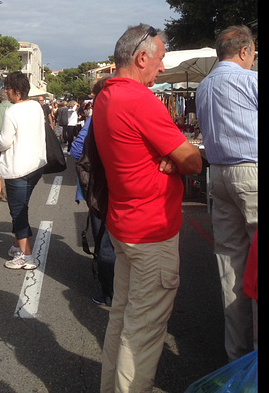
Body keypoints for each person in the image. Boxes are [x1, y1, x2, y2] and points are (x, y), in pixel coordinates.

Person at [92, 23, 202, 393]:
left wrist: (168, 156)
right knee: (142, 335)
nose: (163, 66)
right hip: (151, 231)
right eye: (160, 59)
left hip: (125, 226)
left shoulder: (107, 95)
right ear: (142, 58)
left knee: (122, 322)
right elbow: (192, 160)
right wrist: (176, 157)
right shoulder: (139, 100)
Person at [195, 24, 258, 361]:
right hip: (252, 173)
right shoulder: (250, 80)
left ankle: (238, 356)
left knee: (230, 264)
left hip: (218, 175)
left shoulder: (203, 87)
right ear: (245, 50)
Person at [0, 71, 47, 270]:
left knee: (18, 213)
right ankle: (17, 245)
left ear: (16, 91)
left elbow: (4, 141)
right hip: (36, 166)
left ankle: (27, 256)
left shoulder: (12, 112)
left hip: (18, 169)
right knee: (22, 207)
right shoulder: (36, 106)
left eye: (7, 88)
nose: (5, 92)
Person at [71, 78, 115, 307]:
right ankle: (110, 293)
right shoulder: (100, 114)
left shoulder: (100, 113)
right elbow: (77, 148)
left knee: (105, 240)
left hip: (100, 186)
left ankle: (110, 291)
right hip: (102, 187)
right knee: (106, 242)